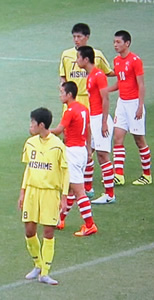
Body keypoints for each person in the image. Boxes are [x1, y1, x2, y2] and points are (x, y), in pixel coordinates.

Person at [59, 23, 114, 198]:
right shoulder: (69, 57)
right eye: (74, 36)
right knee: (84, 145)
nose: (76, 40)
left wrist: (104, 121)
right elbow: (63, 78)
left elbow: (106, 91)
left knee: (99, 152)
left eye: (79, 36)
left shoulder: (96, 70)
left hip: (94, 110)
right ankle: (85, 186)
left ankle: (107, 192)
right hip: (77, 104)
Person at [18, 107, 68, 285]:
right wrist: (23, 192)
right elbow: (28, 169)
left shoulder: (58, 146)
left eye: (32, 122)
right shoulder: (30, 143)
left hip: (49, 193)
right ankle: (38, 264)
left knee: (48, 231)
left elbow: (65, 172)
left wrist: (64, 196)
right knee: (29, 230)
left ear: (41, 125)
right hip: (32, 192)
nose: (30, 126)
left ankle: (45, 272)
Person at [51, 82, 97, 236]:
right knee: (70, 188)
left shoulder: (69, 111)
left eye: (62, 92)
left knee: (79, 192)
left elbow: (58, 130)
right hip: (82, 151)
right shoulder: (83, 108)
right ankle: (60, 219)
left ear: (69, 94)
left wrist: (42, 131)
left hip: (73, 152)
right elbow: (88, 129)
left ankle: (90, 225)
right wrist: (89, 149)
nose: (60, 95)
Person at [109, 30, 151, 186]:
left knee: (139, 140)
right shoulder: (116, 60)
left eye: (118, 42)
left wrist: (140, 106)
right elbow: (121, 82)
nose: (115, 45)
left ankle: (147, 175)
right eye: (114, 42)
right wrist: (106, 90)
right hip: (122, 103)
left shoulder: (135, 60)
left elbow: (141, 84)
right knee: (117, 137)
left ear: (127, 43)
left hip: (134, 104)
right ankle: (118, 175)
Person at [76, 46, 116, 205]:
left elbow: (105, 99)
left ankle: (110, 194)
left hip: (100, 119)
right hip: (95, 118)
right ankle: (87, 188)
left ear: (86, 59)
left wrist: (104, 122)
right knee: (89, 152)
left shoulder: (98, 75)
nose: (77, 60)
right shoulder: (90, 76)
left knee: (103, 156)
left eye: (79, 57)